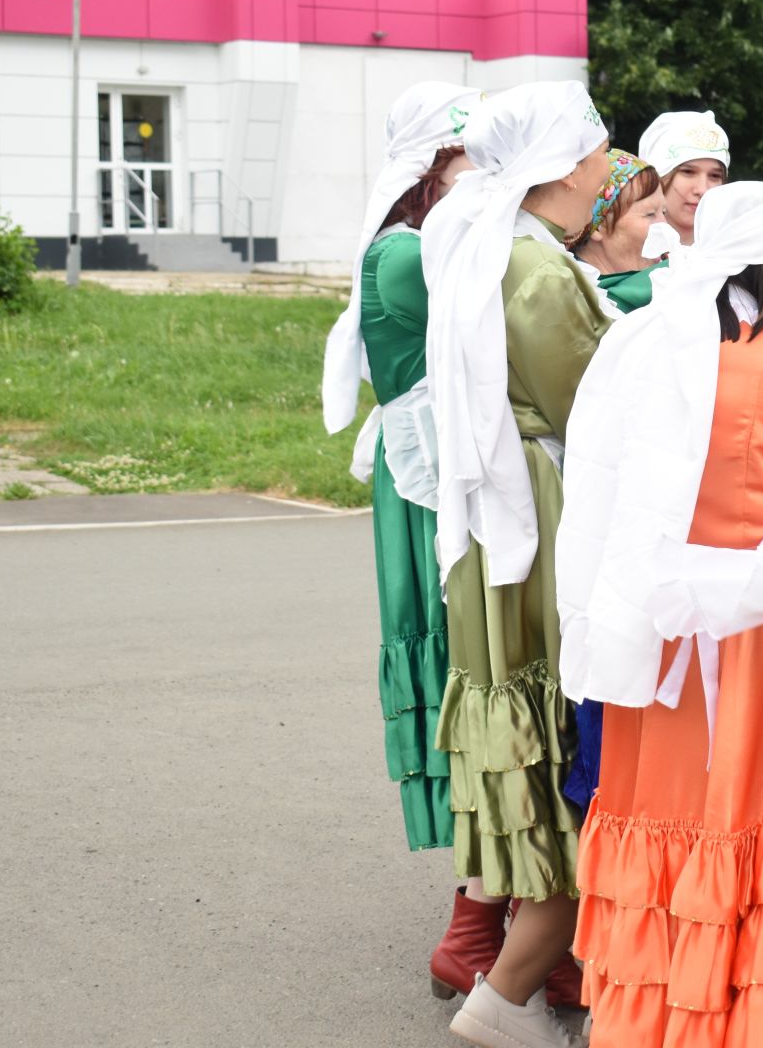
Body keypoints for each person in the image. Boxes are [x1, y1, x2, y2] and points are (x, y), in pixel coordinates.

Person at [554, 180, 763, 1048]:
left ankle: (650, 1011)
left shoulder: (651, 347)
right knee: (759, 816)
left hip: (665, 626)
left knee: (670, 818)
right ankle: (758, 1010)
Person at [421, 80, 615, 1048]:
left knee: (530, 716)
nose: (609, 166)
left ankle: (521, 971)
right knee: (558, 716)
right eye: (600, 150)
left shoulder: (500, 247)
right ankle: (513, 984)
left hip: (501, 514)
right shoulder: (534, 272)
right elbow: (593, 402)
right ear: (565, 164)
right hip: (538, 507)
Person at [319, 82, 496, 995]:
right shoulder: (407, 253)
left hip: (448, 476)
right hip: (434, 492)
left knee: (487, 680)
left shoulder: (428, 240)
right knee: (473, 676)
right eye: (473, 164)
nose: (489, 182)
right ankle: (475, 927)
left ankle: (487, 917)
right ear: (432, 169)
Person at [571, 148, 668, 315]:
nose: (664, 225)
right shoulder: (571, 300)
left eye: (664, 213)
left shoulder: (674, 286)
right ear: (599, 225)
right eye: (650, 214)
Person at [637, 110, 729, 245]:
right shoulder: (621, 255)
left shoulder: (741, 254)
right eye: (688, 172)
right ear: (657, 177)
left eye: (715, 176)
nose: (702, 190)